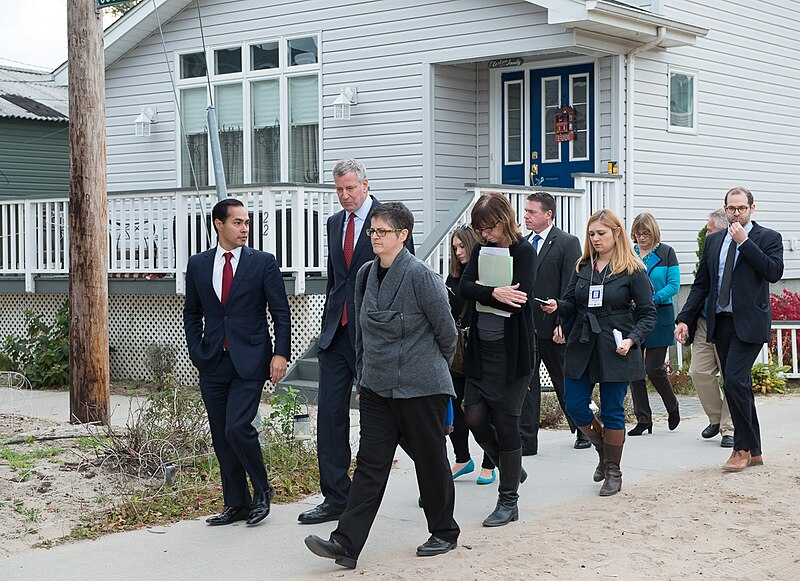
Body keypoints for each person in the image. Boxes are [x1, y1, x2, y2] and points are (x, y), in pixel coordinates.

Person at [304, 202, 459, 568]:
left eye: (382, 231)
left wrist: (425, 369)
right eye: (372, 231)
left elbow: (447, 333)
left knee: (431, 461)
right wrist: (363, 378)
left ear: (402, 235)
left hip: (421, 389)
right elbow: (363, 334)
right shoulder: (364, 275)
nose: (374, 237)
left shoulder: (421, 276)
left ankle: (444, 531)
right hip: (376, 389)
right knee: (371, 465)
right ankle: (346, 544)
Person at [299, 159, 414, 525]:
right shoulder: (335, 223)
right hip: (336, 334)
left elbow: (400, 276)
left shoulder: (387, 222)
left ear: (365, 184)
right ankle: (336, 496)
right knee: (329, 416)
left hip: (373, 336)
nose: (345, 196)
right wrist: (329, 322)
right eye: (338, 189)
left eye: (350, 188)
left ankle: (433, 476)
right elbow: (337, 280)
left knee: (388, 418)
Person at [183, 198, 291, 526]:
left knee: (237, 427)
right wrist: (196, 350)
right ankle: (236, 503)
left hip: (251, 359)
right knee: (220, 434)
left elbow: (281, 312)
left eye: (246, 222)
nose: (245, 228)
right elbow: (192, 312)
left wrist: (280, 353)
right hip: (213, 359)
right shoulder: (199, 264)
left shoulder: (262, 263)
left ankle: (262, 491)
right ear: (219, 224)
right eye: (238, 222)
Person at [542, 209, 656, 496]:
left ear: (616, 233)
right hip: (582, 343)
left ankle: (613, 471)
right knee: (575, 403)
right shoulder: (583, 267)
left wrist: (632, 340)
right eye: (592, 234)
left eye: (601, 233)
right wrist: (557, 306)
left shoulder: (633, 270)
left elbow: (647, 314)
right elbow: (571, 302)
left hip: (617, 345)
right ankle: (604, 450)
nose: (595, 239)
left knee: (613, 410)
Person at [676, 187, 784, 472]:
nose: (736, 213)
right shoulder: (714, 242)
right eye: (731, 208)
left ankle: (741, 448)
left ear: (752, 208)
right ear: (725, 209)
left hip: (749, 323)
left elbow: (773, 272)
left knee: (734, 381)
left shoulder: (768, 238)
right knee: (739, 386)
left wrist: (745, 242)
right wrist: (685, 318)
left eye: (741, 208)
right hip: (720, 322)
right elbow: (702, 285)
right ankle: (756, 450)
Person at [460, 192, 536, 527]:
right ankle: (511, 468)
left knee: (506, 426)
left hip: (512, 354)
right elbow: (463, 286)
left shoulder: (524, 252)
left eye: (488, 228)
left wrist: (488, 291)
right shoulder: (480, 250)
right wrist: (492, 291)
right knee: (474, 418)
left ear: (504, 220)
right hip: (480, 350)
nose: (484, 235)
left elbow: (519, 299)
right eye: (480, 230)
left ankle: (508, 502)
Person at [520, 192, 587, 452]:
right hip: (528, 325)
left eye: (532, 212)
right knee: (528, 383)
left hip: (555, 326)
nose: (526, 216)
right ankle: (528, 440)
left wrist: (563, 321)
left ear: (548, 214)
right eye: (525, 211)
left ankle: (583, 429)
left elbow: (571, 286)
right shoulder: (524, 244)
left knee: (564, 381)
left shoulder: (567, 243)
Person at [446, 225, 496, 484]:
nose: (459, 252)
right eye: (455, 248)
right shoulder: (453, 278)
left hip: (482, 349)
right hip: (457, 352)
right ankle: (462, 458)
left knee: (482, 411)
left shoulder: (483, 274)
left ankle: (490, 462)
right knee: (453, 407)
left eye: (462, 246)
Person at [627, 213, 681, 435]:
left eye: (645, 233)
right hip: (634, 316)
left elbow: (674, 284)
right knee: (634, 369)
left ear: (653, 233)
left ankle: (672, 406)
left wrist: (652, 298)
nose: (641, 238)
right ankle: (644, 419)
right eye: (638, 234)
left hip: (661, 315)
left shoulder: (666, 253)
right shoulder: (630, 253)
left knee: (654, 368)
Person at [688, 209, 734, 447]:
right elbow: (699, 286)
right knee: (698, 371)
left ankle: (729, 429)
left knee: (731, 376)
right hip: (706, 322)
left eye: (709, 228)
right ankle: (716, 418)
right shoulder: (710, 249)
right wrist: (684, 319)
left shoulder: (733, 250)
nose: (706, 232)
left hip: (729, 322)